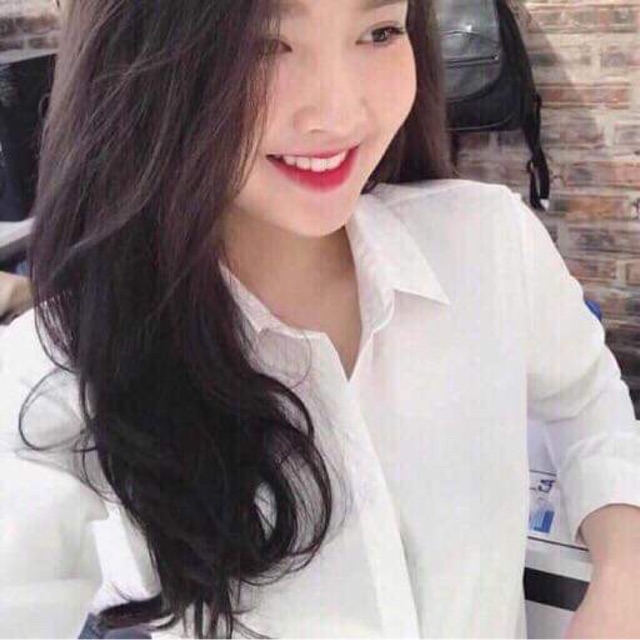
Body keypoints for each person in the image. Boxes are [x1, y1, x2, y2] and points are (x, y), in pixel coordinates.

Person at [1, 0, 639, 638]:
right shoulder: (63, 372)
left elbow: (585, 398)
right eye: (261, 45)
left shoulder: (487, 240)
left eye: (379, 32)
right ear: (138, 58)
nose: (339, 113)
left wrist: (624, 574)